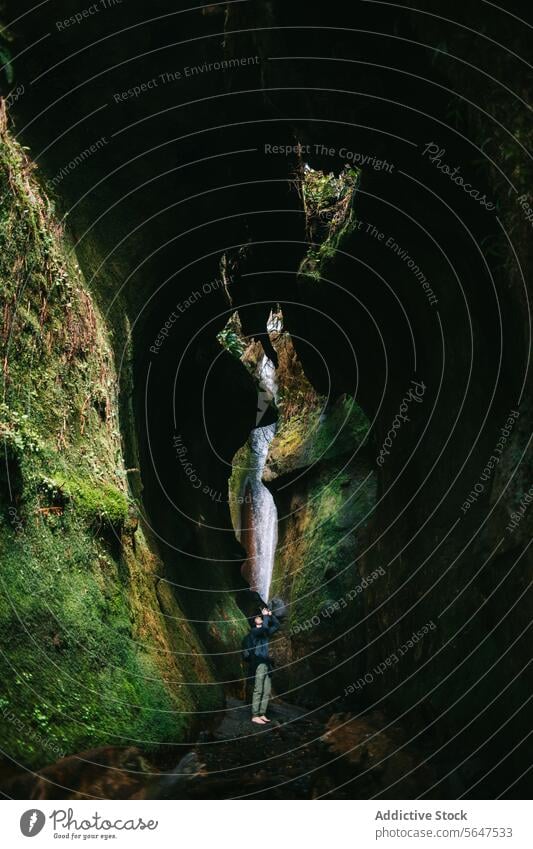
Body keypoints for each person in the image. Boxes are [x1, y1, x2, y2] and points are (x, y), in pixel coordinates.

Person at [244, 606, 280, 725]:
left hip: (267, 664)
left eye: (261, 617)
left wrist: (270, 616)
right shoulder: (254, 631)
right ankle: (255, 715)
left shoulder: (264, 633)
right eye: (259, 617)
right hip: (258, 663)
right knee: (258, 689)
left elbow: (276, 625)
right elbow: (264, 627)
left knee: (266, 690)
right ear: (254, 621)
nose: (260, 618)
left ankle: (262, 713)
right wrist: (265, 616)